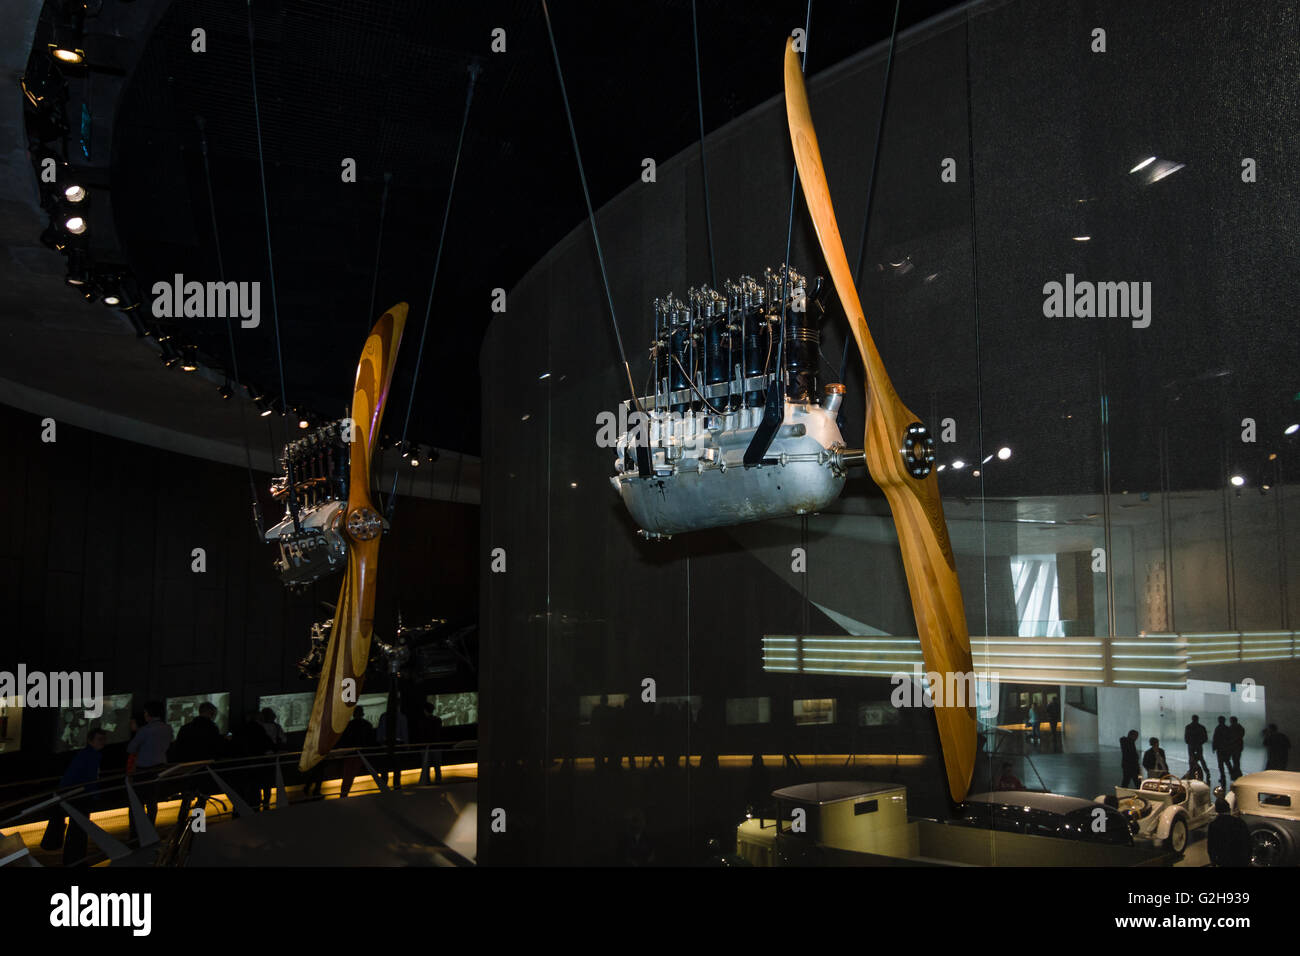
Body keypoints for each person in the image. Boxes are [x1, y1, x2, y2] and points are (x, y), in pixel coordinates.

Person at [42, 728, 108, 866]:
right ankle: (76, 859)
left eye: (103, 739)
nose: (102, 742)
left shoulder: (86, 754)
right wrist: (95, 796)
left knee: (77, 828)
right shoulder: (92, 756)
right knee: (79, 828)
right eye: (99, 739)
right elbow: (91, 780)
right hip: (80, 796)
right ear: (91, 741)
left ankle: (73, 859)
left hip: (74, 795)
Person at [172, 702, 223, 827]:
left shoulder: (186, 728)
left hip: (187, 768)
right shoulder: (212, 729)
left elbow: (178, 748)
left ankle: (181, 823)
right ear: (210, 713)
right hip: (205, 769)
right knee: (202, 798)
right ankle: (197, 826)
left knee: (187, 796)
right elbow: (216, 749)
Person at [126, 700, 173, 833]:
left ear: (149, 714)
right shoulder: (167, 728)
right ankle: (150, 829)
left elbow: (131, 748)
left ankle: (136, 832)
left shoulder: (145, 730)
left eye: (146, 712)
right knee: (152, 802)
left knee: (137, 803)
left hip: (143, 771)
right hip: (160, 768)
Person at [1206, 799, 1252, 866]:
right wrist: (1248, 858)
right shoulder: (1240, 822)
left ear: (1216, 810)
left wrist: (1213, 860)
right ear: (1229, 808)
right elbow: (1248, 841)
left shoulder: (1213, 825)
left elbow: (1211, 845)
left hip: (1224, 860)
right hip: (1240, 859)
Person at [1184, 714, 1210, 781]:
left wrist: (1190, 742)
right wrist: (1200, 743)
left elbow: (1186, 738)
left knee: (1191, 760)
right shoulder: (1201, 727)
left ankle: (1192, 773)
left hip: (1191, 746)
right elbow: (1205, 738)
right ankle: (1207, 772)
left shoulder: (1188, 727)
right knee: (1201, 759)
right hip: (1198, 746)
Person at [1211, 716, 1230, 786]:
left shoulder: (1218, 728)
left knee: (1221, 764)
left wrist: (1214, 747)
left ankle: (1223, 777)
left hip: (1220, 749)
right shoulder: (1227, 728)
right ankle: (1233, 775)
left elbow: (1215, 738)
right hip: (1226, 748)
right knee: (1227, 762)